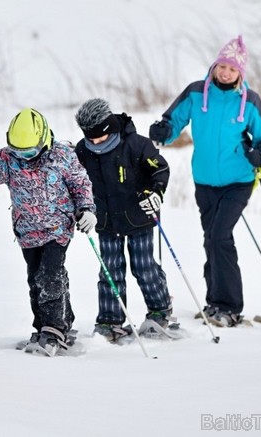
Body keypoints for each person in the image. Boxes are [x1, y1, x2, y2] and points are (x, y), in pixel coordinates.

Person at [0, 108, 95, 356]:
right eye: (19, 152)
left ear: (44, 140)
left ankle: (53, 329)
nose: (24, 158)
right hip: (27, 231)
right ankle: (49, 324)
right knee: (36, 279)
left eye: (30, 152)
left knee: (50, 276)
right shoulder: (8, 160)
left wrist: (87, 209)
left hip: (58, 228)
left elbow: (81, 184)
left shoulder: (62, 156)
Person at [149, 35, 261, 327]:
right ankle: (214, 302)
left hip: (238, 180)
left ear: (240, 73)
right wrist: (162, 131)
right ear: (214, 66)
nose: (225, 73)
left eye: (232, 69)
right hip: (204, 180)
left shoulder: (250, 101)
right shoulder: (196, 93)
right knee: (211, 239)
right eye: (222, 66)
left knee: (219, 236)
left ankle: (230, 306)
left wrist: (260, 153)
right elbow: (173, 120)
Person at [73, 98, 174, 342]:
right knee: (110, 271)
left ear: (109, 128)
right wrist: (81, 210)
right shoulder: (82, 151)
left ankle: (160, 311)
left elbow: (159, 169)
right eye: (90, 137)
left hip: (139, 218)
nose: (95, 142)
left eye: (99, 136)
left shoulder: (136, 145)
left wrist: (155, 192)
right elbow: (75, 183)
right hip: (105, 222)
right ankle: (110, 320)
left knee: (144, 267)